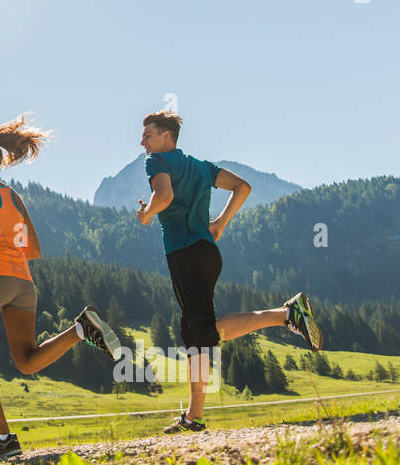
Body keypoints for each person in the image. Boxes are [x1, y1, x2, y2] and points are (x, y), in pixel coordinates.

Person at [135, 110, 321, 434]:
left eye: (148, 135)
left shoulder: (157, 162)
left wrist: (147, 214)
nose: (142, 141)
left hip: (184, 254)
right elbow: (243, 187)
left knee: (204, 332)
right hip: (208, 253)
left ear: (167, 136)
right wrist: (220, 223)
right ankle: (193, 417)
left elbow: (163, 196)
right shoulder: (201, 167)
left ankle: (286, 314)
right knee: (196, 333)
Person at [0, 113, 121, 460]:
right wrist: (8, 253)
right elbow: (35, 249)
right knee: (26, 361)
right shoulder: (14, 197)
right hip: (22, 283)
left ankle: (4, 437)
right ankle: (79, 329)